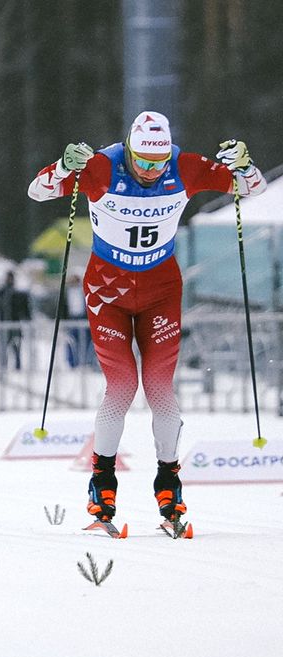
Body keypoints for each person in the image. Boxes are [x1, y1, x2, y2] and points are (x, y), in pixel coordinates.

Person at [27, 110, 267, 528]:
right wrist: (63, 167)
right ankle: (102, 483)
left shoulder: (186, 168)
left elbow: (253, 189)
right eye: (142, 160)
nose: (151, 170)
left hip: (160, 292)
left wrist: (244, 166)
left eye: (159, 162)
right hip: (107, 293)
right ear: (130, 148)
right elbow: (37, 192)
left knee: (159, 388)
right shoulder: (103, 167)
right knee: (122, 385)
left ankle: (168, 484)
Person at [0, 271, 31, 370]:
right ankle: (3, 368)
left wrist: (27, 319)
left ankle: (17, 367)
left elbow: (25, 309)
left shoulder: (18, 294)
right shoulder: (0, 293)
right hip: (3, 325)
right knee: (3, 348)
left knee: (16, 348)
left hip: (15, 325)